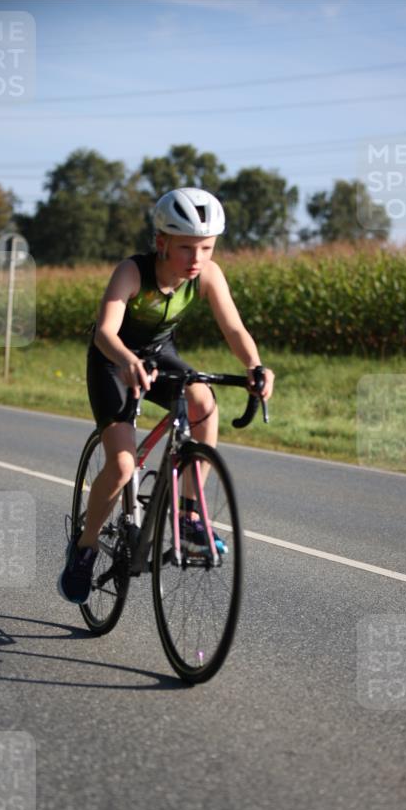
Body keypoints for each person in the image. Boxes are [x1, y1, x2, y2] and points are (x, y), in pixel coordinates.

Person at [58, 187, 274, 604]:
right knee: (122, 466)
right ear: (161, 242)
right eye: (186, 248)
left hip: (158, 356)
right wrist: (125, 360)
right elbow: (105, 332)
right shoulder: (132, 272)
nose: (197, 259)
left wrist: (254, 365)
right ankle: (83, 550)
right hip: (112, 360)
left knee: (203, 401)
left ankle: (190, 514)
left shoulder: (207, 274)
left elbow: (234, 328)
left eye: (206, 248)